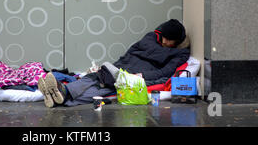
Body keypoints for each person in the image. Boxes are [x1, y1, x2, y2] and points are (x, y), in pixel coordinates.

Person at [37, 19, 190, 107]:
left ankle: (62, 93)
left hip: (134, 75)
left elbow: (164, 73)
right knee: (99, 79)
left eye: (171, 42)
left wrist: (141, 75)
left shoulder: (180, 54)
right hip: (122, 67)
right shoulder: (151, 38)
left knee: (105, 84)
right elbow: (137, 50)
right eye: (167, 40)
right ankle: (62, 95)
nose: (168, 44)